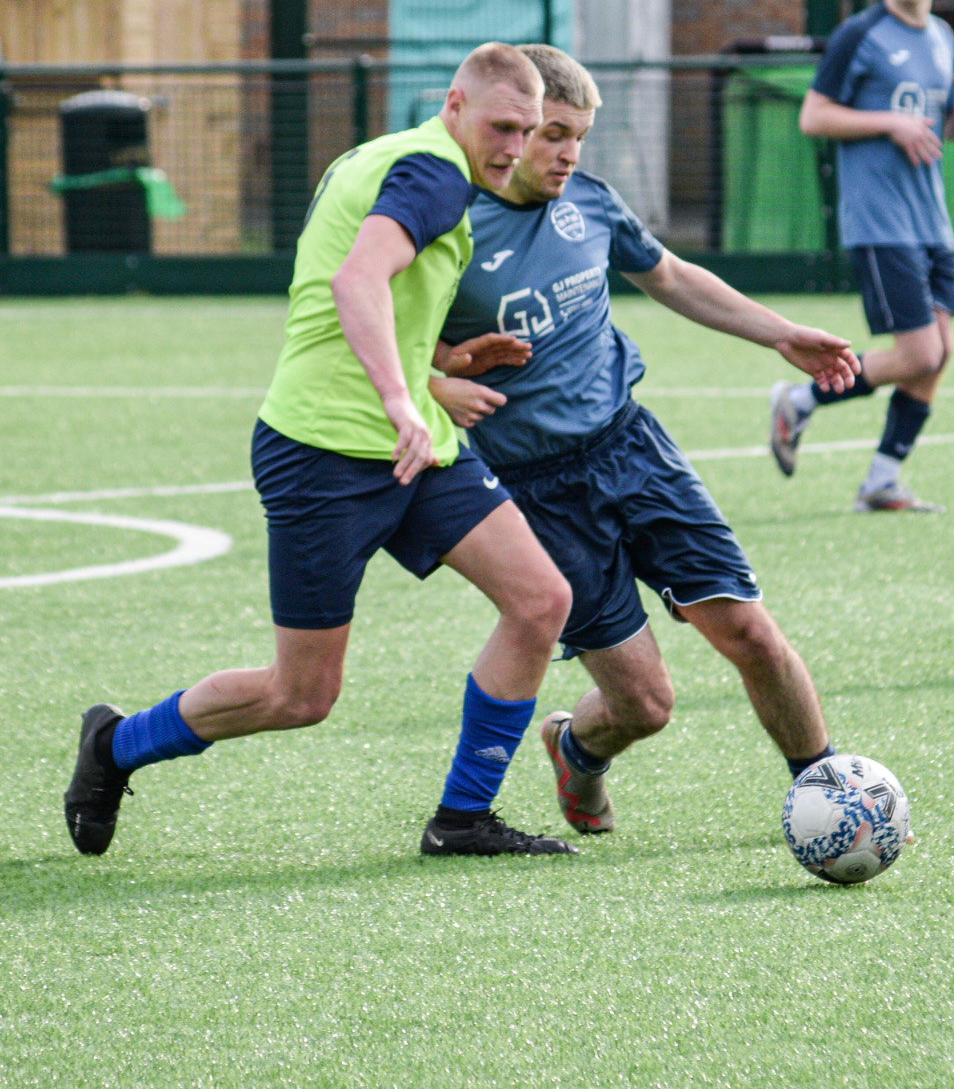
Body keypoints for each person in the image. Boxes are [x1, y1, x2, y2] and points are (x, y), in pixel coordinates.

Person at [63, 42, 585, 860]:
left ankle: (462, 818)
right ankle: (115, 744)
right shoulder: (435, 175)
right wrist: (397, 399)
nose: (514, 148)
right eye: (502, 127)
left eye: (528, 131)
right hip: (325, 452)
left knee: (540, 601)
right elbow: (354, 282)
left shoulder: (381, 156)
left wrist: (439, 366)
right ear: (454, 105)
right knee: (300, 695)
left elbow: (349, 288)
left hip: (414, 447)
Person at [431, 42, 859, 838]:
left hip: (632, 449)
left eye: (579, 137)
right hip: (535, 492)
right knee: (646, 704)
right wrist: (436, 382)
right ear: (514, 127)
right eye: (552, 134)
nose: (566, 154)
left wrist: (780, 333)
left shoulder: (589, 203)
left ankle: (832, 796)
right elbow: (382, 342)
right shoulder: (444, 224)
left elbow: (667, 274)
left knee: (750, 631)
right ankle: (576, 749)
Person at [768, 0, 954, 510]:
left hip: (932, 221)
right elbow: (813, 116)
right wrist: (889, 122)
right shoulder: (859, 35)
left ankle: (881, 480)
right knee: (920, 354)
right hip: (880, 221)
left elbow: (943, 133)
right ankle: (799, 400)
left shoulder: (942, 36)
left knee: (938, 356)